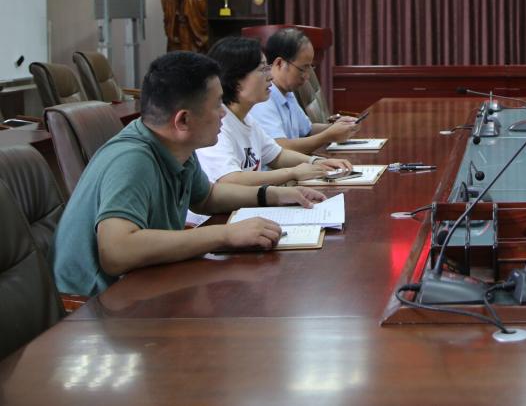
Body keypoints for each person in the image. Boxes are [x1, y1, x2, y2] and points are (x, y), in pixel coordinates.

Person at [52, 51, 326, 297]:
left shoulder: (176, 144)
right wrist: (225, 235)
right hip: (95, 305)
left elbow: (207, 197)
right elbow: (116, 251)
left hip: (141, 283)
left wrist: (273, 195)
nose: (223, 113)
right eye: (217, 104)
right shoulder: (132, 159)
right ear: (183, 120)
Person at [195, 38, 351, 203]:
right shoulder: (218, 123)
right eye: (262, 69)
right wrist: (292, 173)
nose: (270, 76)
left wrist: (317, 161)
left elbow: (277, 155)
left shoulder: (247, 119)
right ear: (236, 81)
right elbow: (230, 180)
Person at [249, 28, 360, 154]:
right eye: (303, 68)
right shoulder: (263, 98)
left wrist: (337, 127)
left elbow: (307, 130)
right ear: (279, 63)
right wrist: (328, 136)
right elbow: (280, 149)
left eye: (310, 67)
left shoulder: (287, 92)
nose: (307, 76)